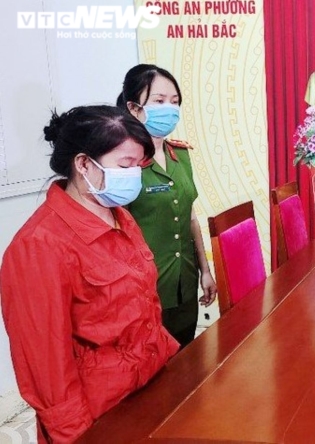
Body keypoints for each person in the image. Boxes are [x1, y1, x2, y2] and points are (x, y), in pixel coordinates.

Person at [0, 105, 180, 442]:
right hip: (98, 414)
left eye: (138, 166)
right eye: (125, 165)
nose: (135, 176)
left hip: (148, 387)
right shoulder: (39, 246)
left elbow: (144, 306)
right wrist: (78, 436)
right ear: (83, 164)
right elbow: (45, 367)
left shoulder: (120, 216)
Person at [117, 64, 217, 348]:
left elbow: (190, 217)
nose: (169, 109)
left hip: (185, 279)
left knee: (188, 356)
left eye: (174, 102)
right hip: (146, 288)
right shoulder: (124, 164)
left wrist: (205, 270)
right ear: (134, 108)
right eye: (159, 101)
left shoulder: (180, 155)